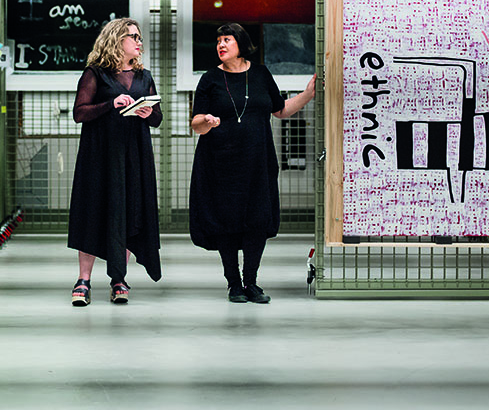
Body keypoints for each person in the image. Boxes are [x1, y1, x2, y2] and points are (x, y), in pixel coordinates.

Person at [189, 22, 316, 303]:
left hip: (257, 161)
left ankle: (252, 282)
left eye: (227, 40)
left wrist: (307, 95)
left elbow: (280, 110)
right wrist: (207, 121)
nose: (221, 45)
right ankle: (234, 284)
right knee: (226, 222)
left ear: (241, 44)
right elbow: (195, 123)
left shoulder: (260, 74)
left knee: (257, 220)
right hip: (219, 164)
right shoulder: (210, 79)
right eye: (218, 41)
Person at [67, 17, 162, 306]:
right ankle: (83, 279)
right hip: (100, 154)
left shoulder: (144, 77)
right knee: (94, 210)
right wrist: (111, 104)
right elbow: (80, 112)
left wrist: (148, 114)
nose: (138, 42)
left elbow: (157, 118)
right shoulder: (95, 73)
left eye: (139, 37)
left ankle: (119, 277)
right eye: (132, 36)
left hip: (134, 154)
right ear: (116, 40)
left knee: (128, 211)